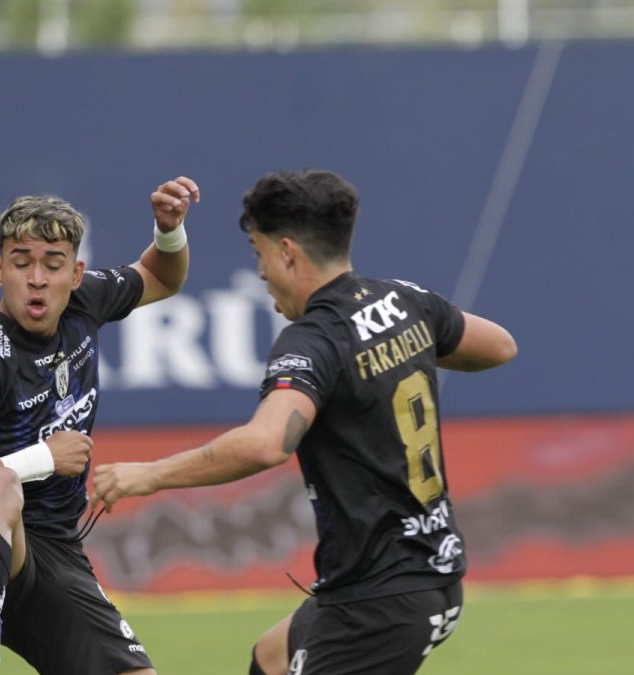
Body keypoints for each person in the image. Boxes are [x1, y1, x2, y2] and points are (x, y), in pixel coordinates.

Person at [94, 170, 518, 675]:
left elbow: (265, 444)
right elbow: (499, 346)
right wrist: (405, 348)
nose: (260, 272)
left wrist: (147, 475)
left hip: (379, 603)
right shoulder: (405, 300)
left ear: (288, 252)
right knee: (272, 658)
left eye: (259, 253)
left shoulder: (314, 339)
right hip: (430, 572)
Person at [0, 177, 199, 675]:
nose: (37, 278)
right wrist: (42, 458)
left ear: (76, 273)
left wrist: (168, 229)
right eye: (21, 263)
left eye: (53, 264)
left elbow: (163, 276)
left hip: (58, 550)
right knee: (3, 482)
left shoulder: (84, 302)